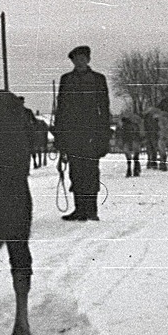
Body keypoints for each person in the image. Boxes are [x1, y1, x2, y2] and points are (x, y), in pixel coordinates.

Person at [54, 45, 112, 221]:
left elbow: (104, 107)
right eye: (76, 59)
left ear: (88, 59)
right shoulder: (66, 80)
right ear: (72, 61)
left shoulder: (98, 79)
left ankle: (91, 210)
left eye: (83, 58)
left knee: (91, 171)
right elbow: (61, 109)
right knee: (75, 172)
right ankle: (80, 209)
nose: (79, 61)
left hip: (92, 133)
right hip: (72, 133)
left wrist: (104, 134)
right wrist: (59, 135)